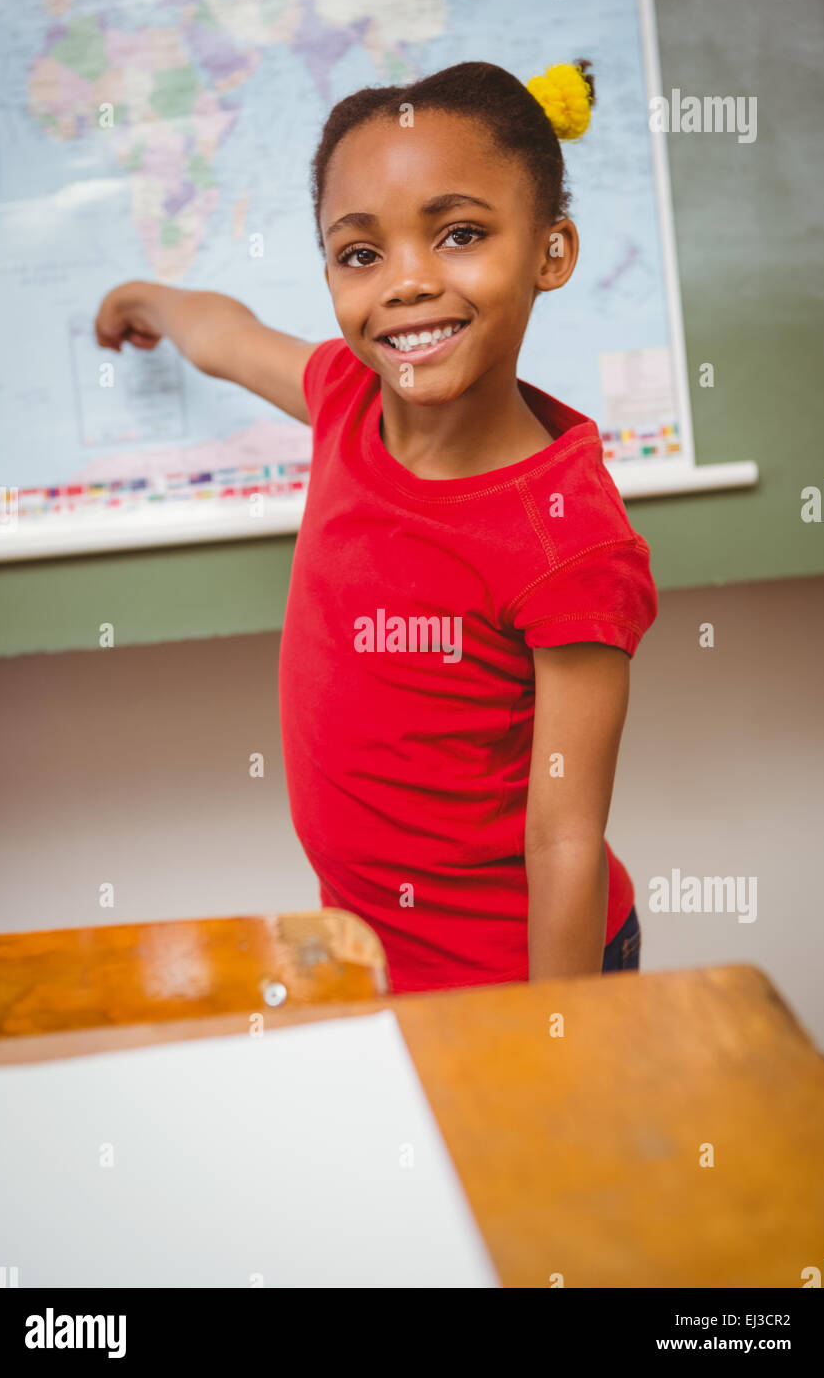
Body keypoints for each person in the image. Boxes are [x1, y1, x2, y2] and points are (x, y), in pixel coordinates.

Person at [95, 59, 658, 994]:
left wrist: (560, 1048)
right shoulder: (344, 397)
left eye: (460, 234)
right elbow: (228, 338)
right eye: (362, 254)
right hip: (371, 948)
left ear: (552, 253)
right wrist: (146, 300)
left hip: (516, 980)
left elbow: (565, 839)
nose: (404, 283)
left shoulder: (570, 541)